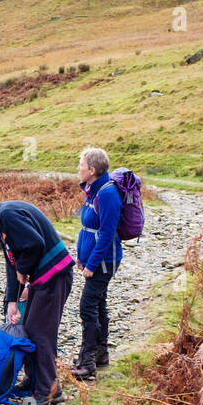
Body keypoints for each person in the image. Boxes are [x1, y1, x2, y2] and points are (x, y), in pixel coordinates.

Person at [0, 195, 74, 405]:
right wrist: (12, 300)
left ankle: (50, 392)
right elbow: (12, 262)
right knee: (28, 331)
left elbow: (34, 244)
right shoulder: (0, 225)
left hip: (55, 276)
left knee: (41, 334)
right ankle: (33, 382)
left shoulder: (9, 214)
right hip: (42, 280)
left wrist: (23, 269)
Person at [73, 147, 123, 378]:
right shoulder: (92, 190)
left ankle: (87, 362)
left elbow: (106, 234)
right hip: (94, 260)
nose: (78, 168)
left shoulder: (107, 194)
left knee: (87, 306)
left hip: (104, 262)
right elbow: (88, 228)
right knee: (98, 304)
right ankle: (100, 354)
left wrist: (92, 264)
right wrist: (81, 258)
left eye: (81, 165)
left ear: (92, 170)